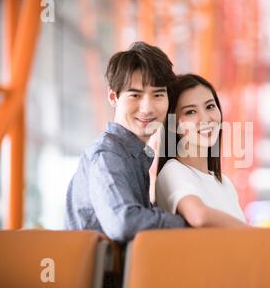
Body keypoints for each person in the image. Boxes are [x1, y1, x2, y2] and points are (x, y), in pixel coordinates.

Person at [65, 41, 189, 244]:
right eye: (135, 95)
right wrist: (190, 224)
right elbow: (124, 223)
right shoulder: (107, 155)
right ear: (113, 97)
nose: (147, 108)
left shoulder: (135, 155)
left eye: (158, 94)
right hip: (93, 275)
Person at [156, 74, 247, 227]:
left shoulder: (225, 183)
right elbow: (198, 216)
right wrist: (254, 234)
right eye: (190, 112)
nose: (205, 119)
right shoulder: (172, 170)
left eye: (210, 106)